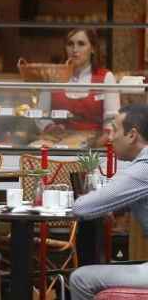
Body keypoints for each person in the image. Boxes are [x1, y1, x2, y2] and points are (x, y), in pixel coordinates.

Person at [70, 104, 148, 299]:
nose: (110, 137)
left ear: (132, 135)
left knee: (80, 278)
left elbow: (82, 208)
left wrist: (106, 205)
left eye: (114, 129)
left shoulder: (143, 170)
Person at [38, 29, 120, 140]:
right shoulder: (53, 77)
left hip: (93, 149)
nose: (75, 49)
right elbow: (40, 115)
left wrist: (103, 137)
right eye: (70, 44)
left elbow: (112, 118)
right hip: (58, 146)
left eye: (81, 44)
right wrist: (50, 127)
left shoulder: (106, 77)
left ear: (93, 49)